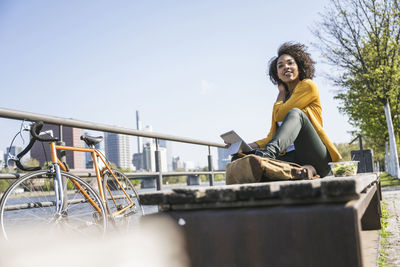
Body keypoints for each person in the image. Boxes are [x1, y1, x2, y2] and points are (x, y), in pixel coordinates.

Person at [232, 42, 342, 177]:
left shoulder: (308, 86)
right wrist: (248, 146)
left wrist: (280, 94)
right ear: (277, 74)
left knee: (296, 113)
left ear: (299, 67)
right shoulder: (282, 101)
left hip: (317, 157)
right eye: (281, 66)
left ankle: (269, 158)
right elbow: (273, 137)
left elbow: (281, 115)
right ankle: (302, 171)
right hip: (291, 158)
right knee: (240, 158)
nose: (286, 67)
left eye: (290, 63)